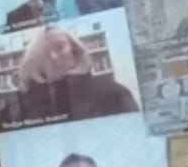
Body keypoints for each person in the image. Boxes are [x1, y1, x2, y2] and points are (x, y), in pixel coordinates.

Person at [7, 26, 137, 124]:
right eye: (44, 53)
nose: (53, 57)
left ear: (75, 49)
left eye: (60, 47)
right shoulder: (17, 108)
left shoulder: (114, 93)